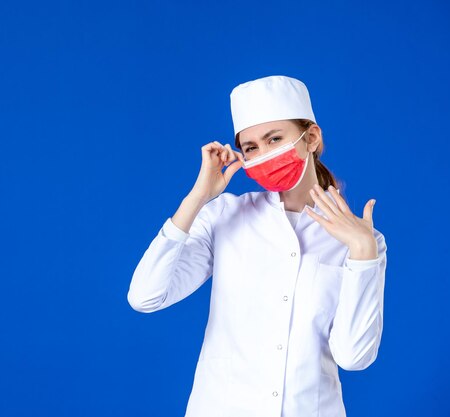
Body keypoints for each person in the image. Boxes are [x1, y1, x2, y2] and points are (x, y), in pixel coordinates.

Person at [126, 75, 387, 417]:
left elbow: (354, 357)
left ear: (311, 138)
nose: (263, 154)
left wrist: (363, 254)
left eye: (274, 139)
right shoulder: (224, 216)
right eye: (251, 148)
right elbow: (145, 296)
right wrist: (197, 198)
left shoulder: (364, 240)